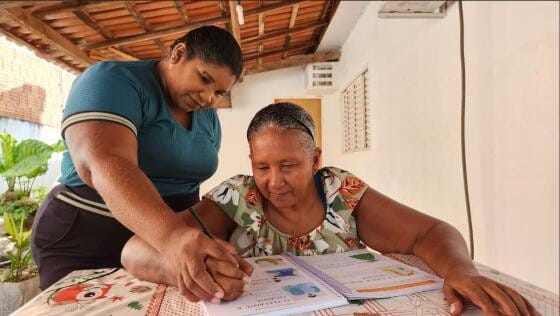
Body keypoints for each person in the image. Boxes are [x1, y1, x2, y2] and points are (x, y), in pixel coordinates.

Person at [121, 102, 538, 315]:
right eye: (262, 166)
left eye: (289, 166)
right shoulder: (237, 198)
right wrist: (194, 271)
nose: (274, 181)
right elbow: (135, 251)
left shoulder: (341, 193)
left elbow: (429, 232)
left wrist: (460, 269)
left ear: (315, 159)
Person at [30, 26, 248, 304]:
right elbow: (104, 161)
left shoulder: (208, 119)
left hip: (157, 250)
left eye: (219, 92)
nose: (208, 98)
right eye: (204, 78)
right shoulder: (112, 80)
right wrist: (174, 237)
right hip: (86, 238)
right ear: (178, 54)